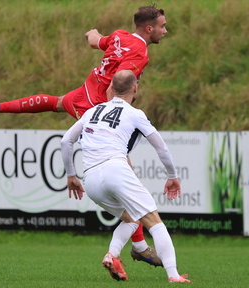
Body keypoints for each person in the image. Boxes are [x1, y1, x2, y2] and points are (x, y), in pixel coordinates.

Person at [0, 5, 168, 267]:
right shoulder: (140, 52)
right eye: (163, 26)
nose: (165, 30)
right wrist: (111, 113)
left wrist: (93, 33)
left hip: (85, 91)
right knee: (126, 175)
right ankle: (140, 246)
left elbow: (95, 40)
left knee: (54, 102)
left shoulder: (120, 35)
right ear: (149, 28)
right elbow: (118, 82)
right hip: (97, 107)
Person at [60, 70, 190, 283]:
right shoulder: (135, 113)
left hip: (91, 179)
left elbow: (66, 141)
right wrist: (172, 175)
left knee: (131, 218)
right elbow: (161, 148)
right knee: (154, 222)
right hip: (115, 169)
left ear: (110, 87)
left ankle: (112, 255)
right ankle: (174, 275)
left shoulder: (92, 111)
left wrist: (71, 175)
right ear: (135, 88)